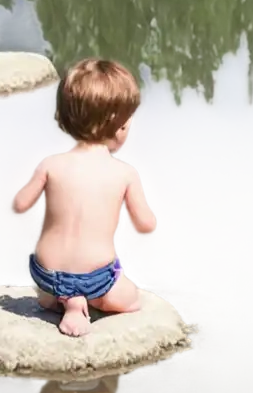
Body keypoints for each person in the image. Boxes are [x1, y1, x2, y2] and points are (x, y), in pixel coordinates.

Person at [10, 58, 157, 337]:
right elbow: (146, 226)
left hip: (47, 278)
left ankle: (64, 300)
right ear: (119, 127)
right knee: (132, 298)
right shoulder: (124, 173)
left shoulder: (50, 164)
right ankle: (81, 301)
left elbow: (18, 206)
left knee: (30, 261)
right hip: (96, 280)